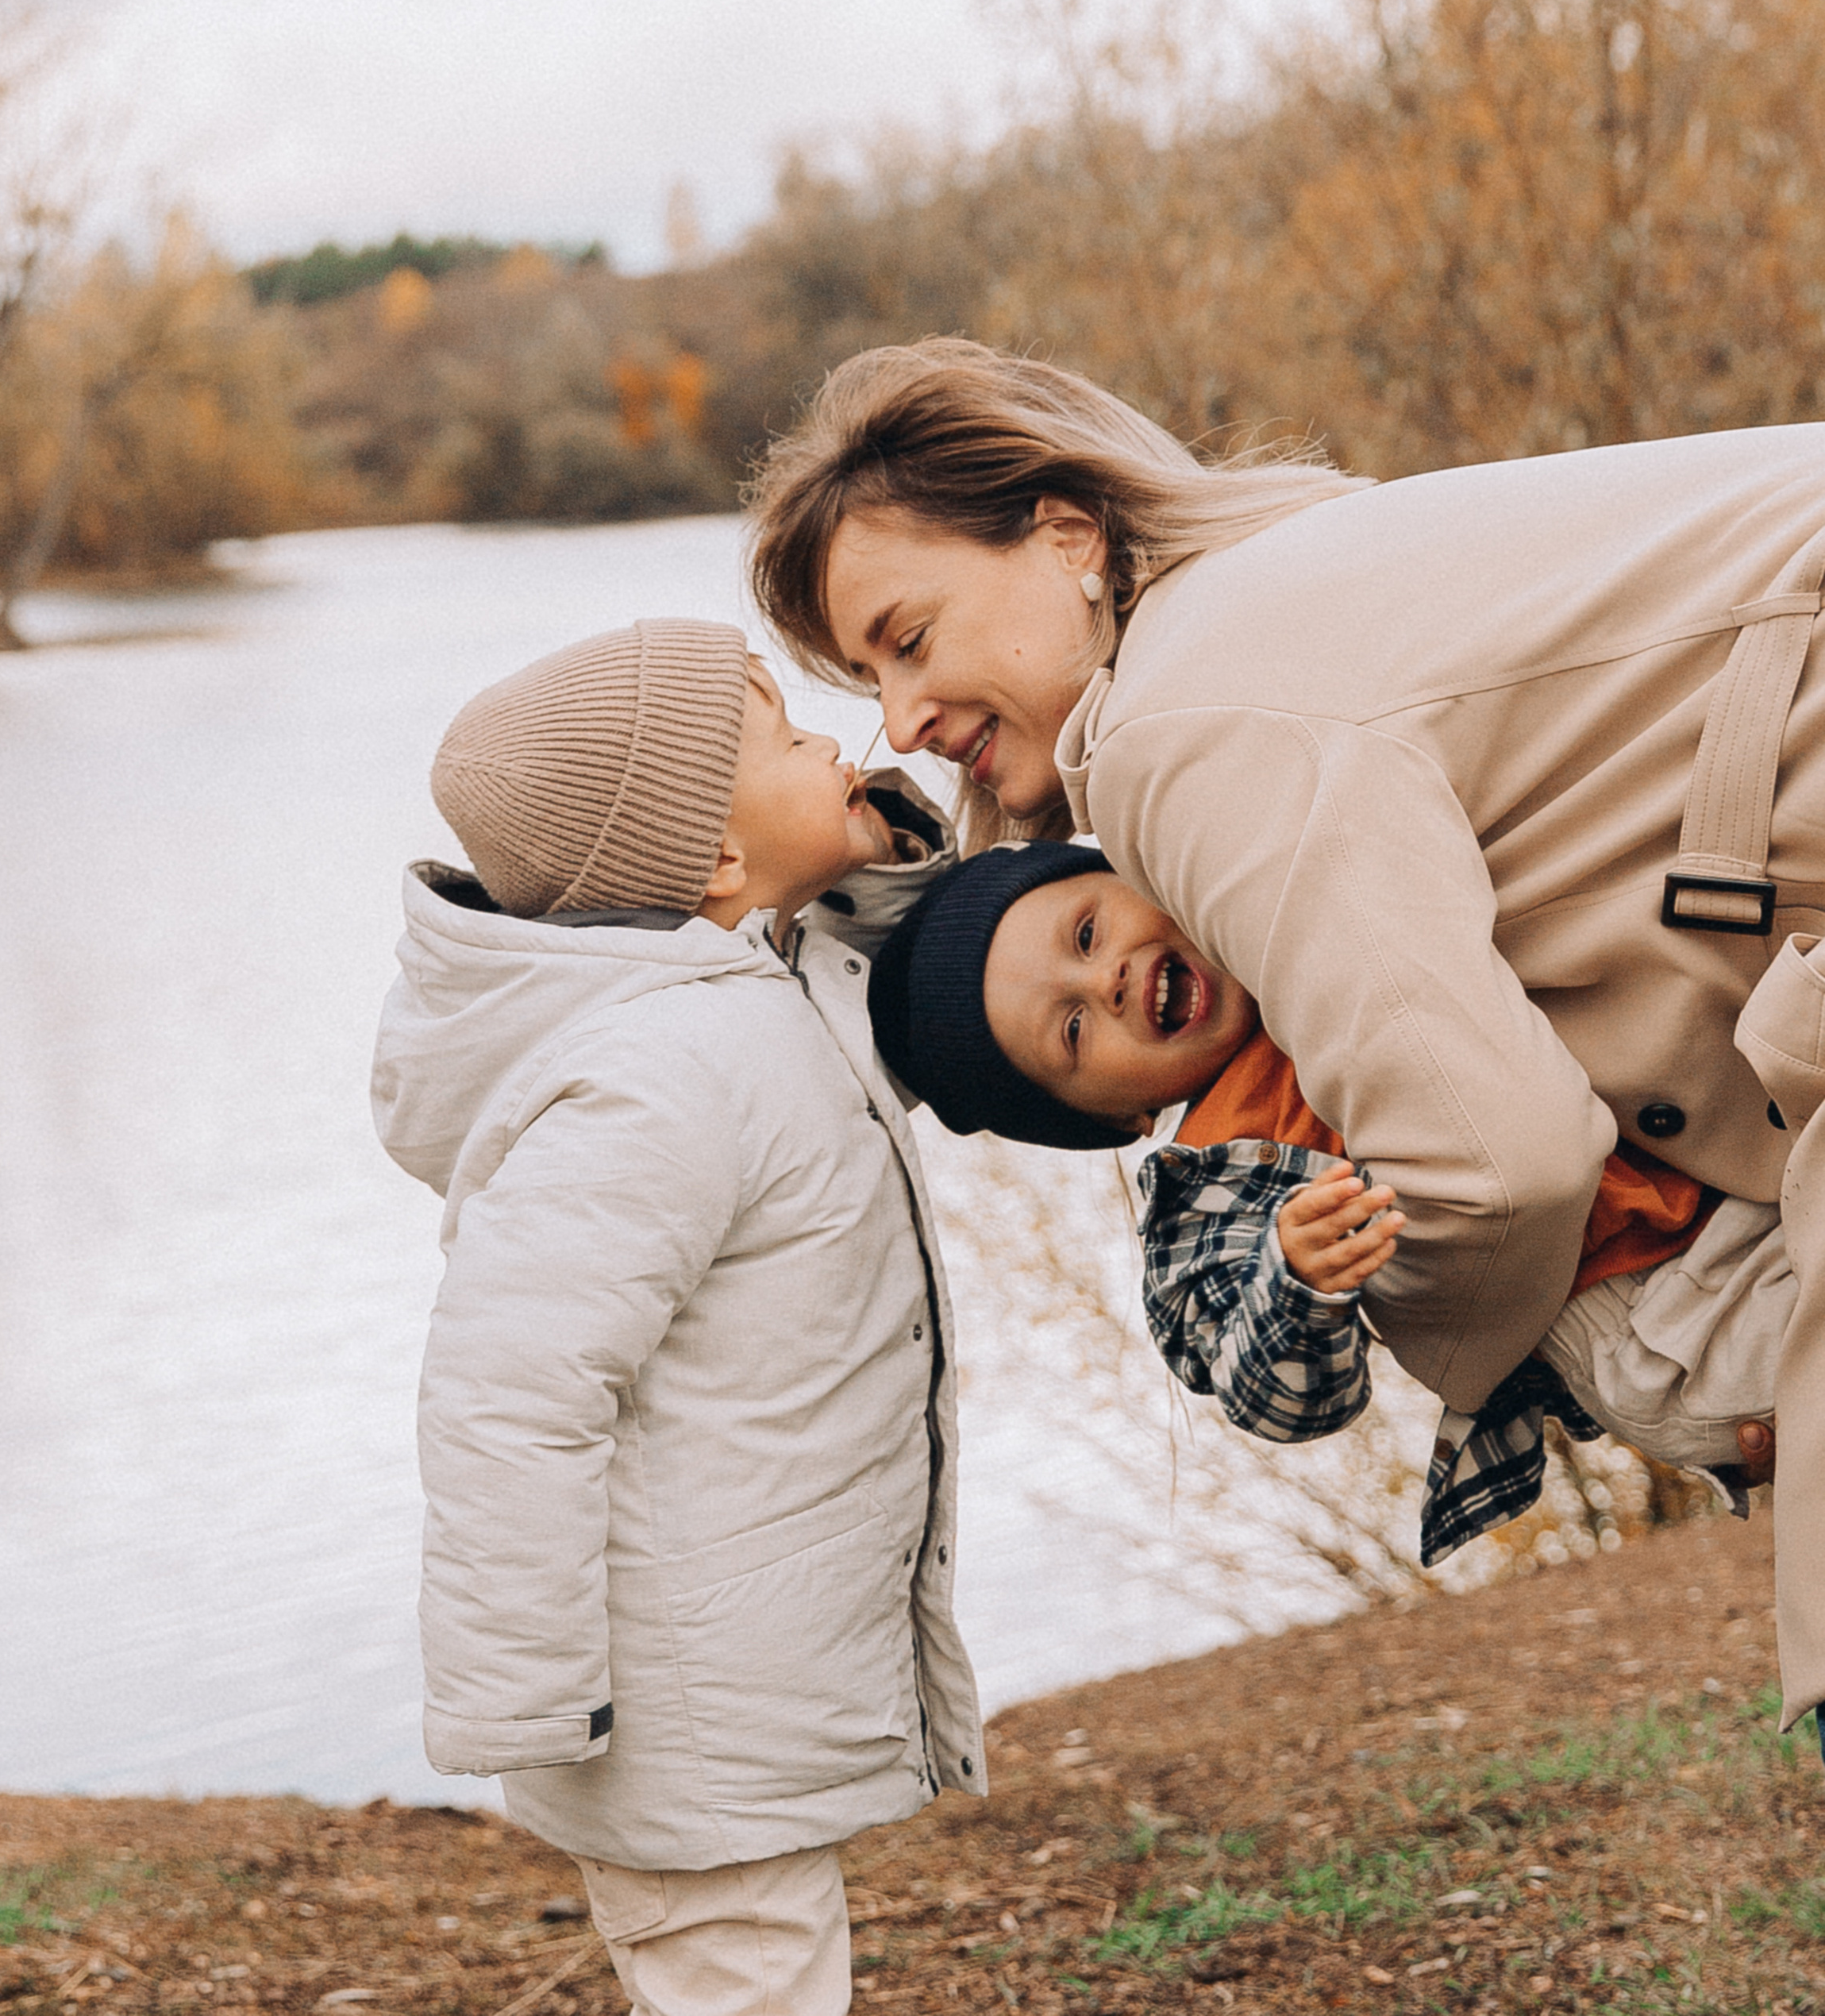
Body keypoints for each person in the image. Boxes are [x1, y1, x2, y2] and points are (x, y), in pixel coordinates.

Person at [747, 339, 1825, 1733]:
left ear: (1068, 538)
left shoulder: (1183, 725)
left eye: (908, 640)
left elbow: (1503, 1172)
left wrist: (1481, 1351)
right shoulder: (1277, 583)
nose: (900, 720)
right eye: (866, 683)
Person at [371, 617, 981, 2016]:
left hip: (744, 1675)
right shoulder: (653, 1076)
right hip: (670, 1708)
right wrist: (527, 1696)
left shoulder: (742, 988)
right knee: (753, 1982)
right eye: (785, 739)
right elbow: (510, 1393)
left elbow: (885, 960)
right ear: (713, 865)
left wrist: (874, 841)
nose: (833, 740)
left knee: (768, 1972)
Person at [865, 837, 1790, 1563]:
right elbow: (1272, 1396)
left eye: (1085, 932)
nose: (1102, 981)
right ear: (1117, 1119)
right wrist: (1294, 1278)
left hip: (1718, 1202)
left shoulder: (1313, 939)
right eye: (1071, 1030)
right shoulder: (1212, 1182)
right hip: (1650, 1322)